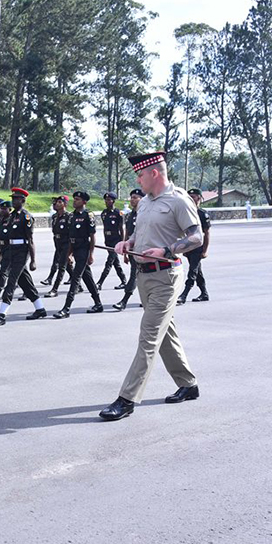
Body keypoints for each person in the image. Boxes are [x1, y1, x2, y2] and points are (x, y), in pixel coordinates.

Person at [99, 151, 202, 421]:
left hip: (166, 277)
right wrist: (128, 243)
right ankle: (188, 385)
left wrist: (167, 249)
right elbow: (139, 233)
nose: (138, 179)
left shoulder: (178, 200)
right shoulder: (144, 203)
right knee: (165, 332)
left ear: (154, 173)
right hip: (143, 275)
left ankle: (127, 399)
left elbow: (196, 237)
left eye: (140, 174)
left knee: (148, 337)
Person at [0, 187, 47, 326]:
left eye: (16, 198)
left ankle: (2, 315)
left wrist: (33, 260)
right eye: (12, 198)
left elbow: (30, 239)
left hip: (22, 251)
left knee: (11, 281)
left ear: (23, 200)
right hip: (11, 251)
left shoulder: (26, 217)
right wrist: (0, 253)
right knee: (25, 282)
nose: (13, 200)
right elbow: (6, 238)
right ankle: (40, 309)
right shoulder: (11, 216)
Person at [53, 191, 103, 318]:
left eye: (78, 199)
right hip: (75, 248)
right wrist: (69, 254)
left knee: (75, 278)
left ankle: (66, 308)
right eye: (74, 199)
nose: (75, 201)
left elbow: (92, 237)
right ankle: (98, 303)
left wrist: (91, 254)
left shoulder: (88, 215)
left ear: (84, 202)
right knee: (87, 276)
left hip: (84, 249)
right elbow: (71, 237)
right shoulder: (72, 216)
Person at [178, 188, 211, 304]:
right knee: (198, 271)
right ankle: (204, 293)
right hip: (189, 247)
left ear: (199, 198)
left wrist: (205, 250)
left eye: (194, 196)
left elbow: (206, 233)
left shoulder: (202, 214)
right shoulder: (185, 212)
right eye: (189, 196)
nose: (191, 198)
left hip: (198, 247)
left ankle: (184, 294)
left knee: (192, 272)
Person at [113, 188, 144, 311]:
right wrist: (125, 251)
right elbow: (127, 233)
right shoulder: (131, 215)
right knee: (140, 276)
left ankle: (124, 301)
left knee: (134, 275)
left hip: (142, 250)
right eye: (131, 197)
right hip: (131, 250)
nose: (132, 199)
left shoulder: (145, 213)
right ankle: (146, 299)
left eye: (135, 197)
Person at [42, 195, 73, 297]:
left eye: (60, 202)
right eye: (56, 202)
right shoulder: (55, 217)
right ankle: (78, 285)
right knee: (67, 266)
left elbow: (71, 235)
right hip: (58, 244)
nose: (57, 204)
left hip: (66, 244)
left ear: (65, 204)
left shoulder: (69, 216)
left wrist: (70, 253)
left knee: (62, 267)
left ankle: (55, 289)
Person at [97, 192, 127, 290]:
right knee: (115, 263)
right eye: (106, 200)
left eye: (109, 200)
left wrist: (122, 243)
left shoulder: (118, 213)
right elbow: (105, 228)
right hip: (108, 240)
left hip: (116, 240)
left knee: (109, 262)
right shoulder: (104, 213)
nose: (107, 202)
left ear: (113, 201)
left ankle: (100, 283)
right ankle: (123, 280)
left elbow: (121, 229)